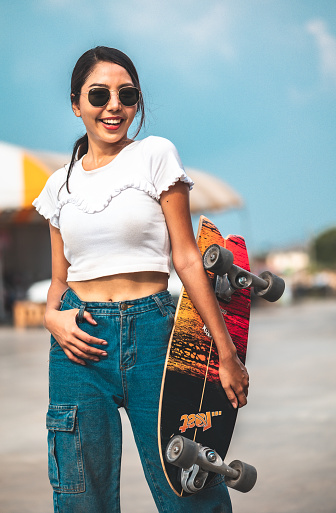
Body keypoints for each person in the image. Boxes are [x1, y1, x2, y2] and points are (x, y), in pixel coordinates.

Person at [33, 46, 249, 513]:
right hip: (78, 345)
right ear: (76, 103)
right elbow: (57, 281)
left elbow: (188, 259)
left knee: (190, 487)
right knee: (79, 497)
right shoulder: (58, 186)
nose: (114, 105)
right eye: (99, 94)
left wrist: (225, 352)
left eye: (126, 94)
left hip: (155, 336)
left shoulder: (155, 155)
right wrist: (52, 320)